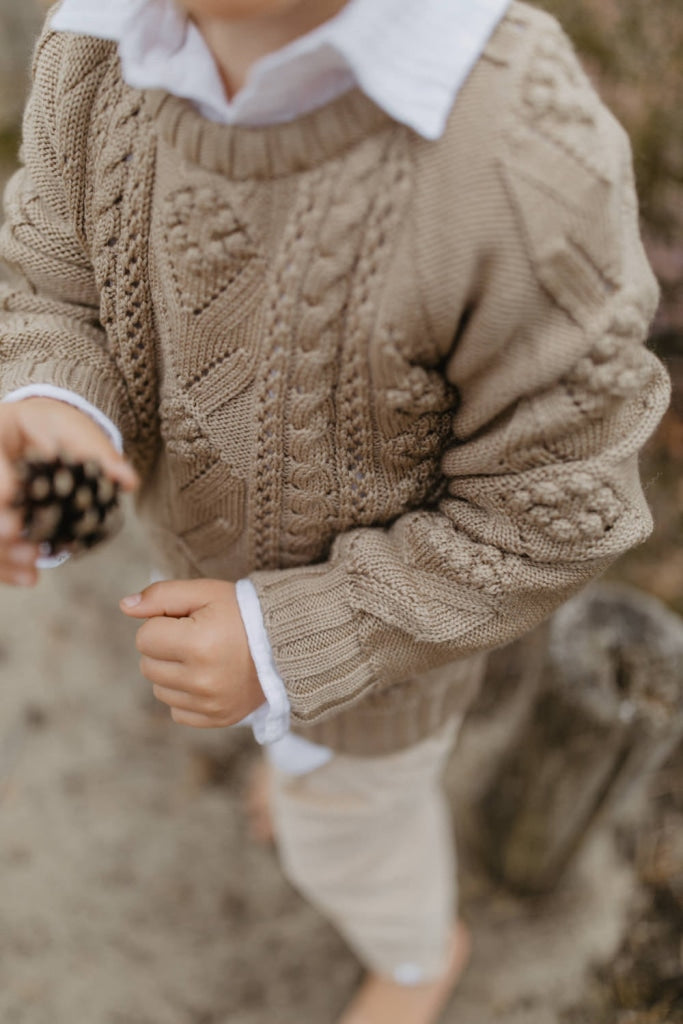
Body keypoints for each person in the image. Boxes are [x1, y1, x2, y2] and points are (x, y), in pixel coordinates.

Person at [0, 0, 670, 1021]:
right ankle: (285, 742)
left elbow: (555, 507)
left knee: (350, 830)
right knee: (293, 758)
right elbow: (53, 274)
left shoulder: (514, 155)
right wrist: (58, 408)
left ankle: (415, 953)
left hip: (373, 673)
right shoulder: (100, 33)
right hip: (207, 559)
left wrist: (285, 642)